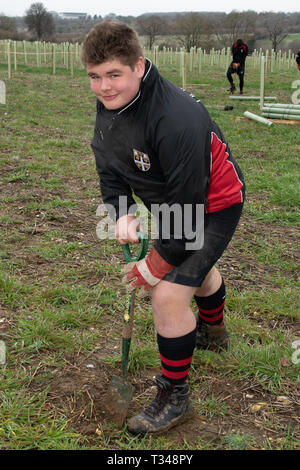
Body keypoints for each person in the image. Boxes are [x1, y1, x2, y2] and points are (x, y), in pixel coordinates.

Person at [82, 20, 245, 435]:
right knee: (196, 270)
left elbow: (188, 214)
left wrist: (154, 267)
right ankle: (214, 330)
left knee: (168, 294)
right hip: (173, 203)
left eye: (113, 74)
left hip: (212, 205)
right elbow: (109, 164)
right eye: (95, 77)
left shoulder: (176, 117)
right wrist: (120, 211)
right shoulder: (114, 104)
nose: (103, 88)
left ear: (138, 65)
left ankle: (175, 396)